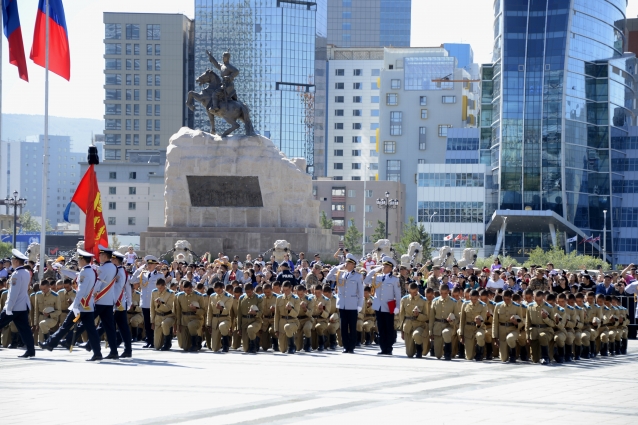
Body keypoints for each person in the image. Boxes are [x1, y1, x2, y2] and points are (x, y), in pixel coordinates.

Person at [41, 249, 104, 361]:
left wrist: (75, 305)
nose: (78, 261)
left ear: (83, 260)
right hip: (88, 306)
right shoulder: (90, 271)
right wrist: (61, 269)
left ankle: (50, 343)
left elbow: (81, 290)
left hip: (81, 306)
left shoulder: (85, 272)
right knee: (91, 331)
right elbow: (74, 275)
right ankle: (97, 353)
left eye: (79, 259)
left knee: (65, 326)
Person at [77, 245, 119, 360]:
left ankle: (71, 338)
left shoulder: (103, 268)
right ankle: (114, 351)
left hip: (99, 300)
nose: (99, 256)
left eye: (100, 255)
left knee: (87, 322)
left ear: (105, 256)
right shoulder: (114, 267)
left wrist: (91, 294)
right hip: (109, 301)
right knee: (109, 328)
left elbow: (98, 283)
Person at [0, 249, 36, 358]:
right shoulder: (25, 272)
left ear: (16, 261)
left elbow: (13, 293)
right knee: (25, 329)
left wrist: (9, 308)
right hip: (22, 306)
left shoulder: (16, 274)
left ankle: (30, 350)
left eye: (12, 259)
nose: (11, 261)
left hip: (13, 307)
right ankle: (31, 350)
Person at [326, 253, 364, 354]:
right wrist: (337, 267)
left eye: (347, 263)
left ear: (353, 265)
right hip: (342, 304)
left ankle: (351, 346)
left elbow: (361, 293)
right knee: (343, 327)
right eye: (345, 263)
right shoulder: (340, 274)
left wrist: (360, 305)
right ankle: (345, 346)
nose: (345, 265)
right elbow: (329, 276)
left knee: (352, 326)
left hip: (352, 305)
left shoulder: (357, 276)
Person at [363, 256, 401, 355]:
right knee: (381, 327)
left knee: (389, 328)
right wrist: (376, 269)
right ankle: (383, 348)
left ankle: (389, 347)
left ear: (390, 268)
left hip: (389, 305)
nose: (383, 267)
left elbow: (397, 294)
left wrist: (397, 306)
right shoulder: (377, 277)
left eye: (386, 266)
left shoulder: (394, 279)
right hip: (378, 305)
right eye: (383, 265)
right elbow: (366, 280)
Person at [492, 289, 525, 363]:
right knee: (504, 358)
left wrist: (516, 323)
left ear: (511, 297)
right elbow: (495, 322)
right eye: (504, 299)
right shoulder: (498, 306)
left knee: (510, 338)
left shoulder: (517, 306)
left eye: (508, 299)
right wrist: (495, 337)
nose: (506, 300)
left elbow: (521, 322)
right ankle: (507, 353)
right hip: (502, 331)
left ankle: (513, 354)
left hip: (513, 329)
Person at [136, 255, 161, 348]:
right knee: (146, 322)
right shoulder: (143, 274)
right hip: (145, 302)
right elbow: (132, 280)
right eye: (148, 263)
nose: (149, 265)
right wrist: (140, 268)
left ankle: (154, 340)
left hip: (154, 302)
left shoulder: (159, 275)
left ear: (155, 265)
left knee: (153, 322)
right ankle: (148, 340)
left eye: (151, 264)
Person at [429, 284, 459, 360]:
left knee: (445, 333)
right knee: (438, 355)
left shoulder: (453, 302)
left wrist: (452, 321)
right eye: (441, 293)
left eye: (445, 293)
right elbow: (432, 317)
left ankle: (448, 352)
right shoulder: (435, 301)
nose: (443, 295)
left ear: (448, 292)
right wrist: (430, 331)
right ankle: (440, 350)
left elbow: (457, 318)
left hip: (448, 326)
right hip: (437, 327)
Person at [398, 282, 429, 358]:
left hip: (419, 325)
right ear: (408, 290)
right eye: (410, 292)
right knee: (409, 354)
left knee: (416, 334)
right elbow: (401, 316)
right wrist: (402, 330)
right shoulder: (404, 299)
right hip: (408, 326)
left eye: (414, 292)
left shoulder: (423, 300)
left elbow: (427, 316)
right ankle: (414, 346)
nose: (412, 294)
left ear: (417, 290)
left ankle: (419, 349)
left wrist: (418, 315)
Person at [459, 289, 488, 361]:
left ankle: (480, 353)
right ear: (469, 297)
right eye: (471, 299)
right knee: (469, 357)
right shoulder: (465, 304)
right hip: (468, 329)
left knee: (480, 336)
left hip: (479, 328)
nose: (473, 300)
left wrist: (479, 322)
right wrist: (461, 334)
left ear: (478, 297)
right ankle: (473, 351)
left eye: (475, 299)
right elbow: (462, 320)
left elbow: (483, 320)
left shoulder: (483, 305)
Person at [206, 281, 234, 352]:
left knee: (222, 326)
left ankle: (226, 344)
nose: (217, 292)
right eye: (216, 291)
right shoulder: (212, 296)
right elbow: (209, 311)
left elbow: (227, 310)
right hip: (215, 320)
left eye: (219, 290)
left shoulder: (229, 297)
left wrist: (221, 308)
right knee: (214, 348)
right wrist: (209, 324)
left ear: (223, 288)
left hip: (225, 318)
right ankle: (220, 342)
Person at [274, 281, 300, 354]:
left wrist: (291, 310)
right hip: (282, 323)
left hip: (293, 322)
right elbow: (277, 315)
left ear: (291, 288)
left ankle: (291, 346)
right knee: (283, 350)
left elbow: (296, 314)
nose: (285, 292)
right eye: (284, 290)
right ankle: (292, 345)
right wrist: (276, 329)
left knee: (287, 327)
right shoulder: (279, 298)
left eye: (287, 290)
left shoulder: (296, 298)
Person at [32, 280, 61, 345]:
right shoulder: (38, 294)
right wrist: (35, 323)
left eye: (44, 289)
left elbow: (59, 311)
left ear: (49, 287)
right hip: (41, 317)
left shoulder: (55, 296)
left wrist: (50, 314)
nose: (42, 290)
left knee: (42, 324)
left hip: (52, 318)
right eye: (41, 289)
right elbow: (36, 310)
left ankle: (48, 341)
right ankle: (48, 342)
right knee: (40, 342)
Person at [150, 278, 176, 351]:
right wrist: (152, 321)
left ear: (165, 285)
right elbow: (152, 307)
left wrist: (161, 304)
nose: (159, 289)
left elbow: (169, 308)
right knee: (157, 346)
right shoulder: (154, 292)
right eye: (158, 288)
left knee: (164, 324)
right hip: (158, 316)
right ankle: (162, 340)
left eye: (161, 288)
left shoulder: (171, 293)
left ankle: (167, 342)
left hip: (168, 316)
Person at [237, 283, 263, 354]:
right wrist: (238, 327)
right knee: (245, 349)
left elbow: (261, 312)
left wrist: (255, 313)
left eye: (250, 292)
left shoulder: (258, 298)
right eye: (247, 292)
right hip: (245, 322)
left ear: (253, 290)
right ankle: (255, 339)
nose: (248, 294)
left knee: (250, 329)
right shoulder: (241, 298)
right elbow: (239, 314)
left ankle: (253, 346)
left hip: (256, 321)